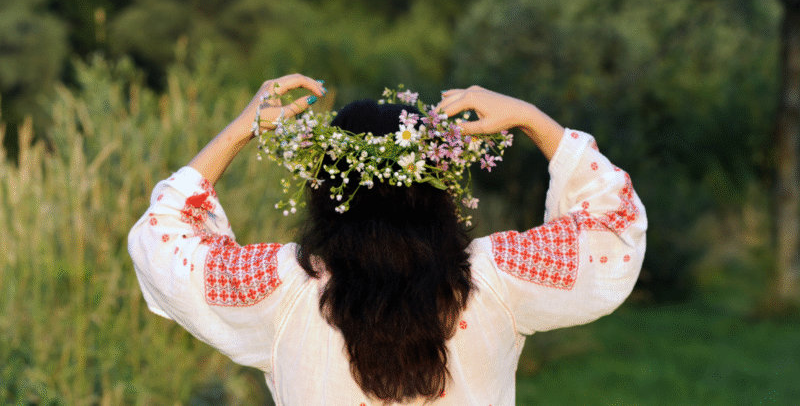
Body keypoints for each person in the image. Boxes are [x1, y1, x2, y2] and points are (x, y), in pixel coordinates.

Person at [128, 74, 647, 405]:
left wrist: (243, 128)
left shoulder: (282, 289)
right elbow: (612, 224)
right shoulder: (495, 278)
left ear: (324, 190)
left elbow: (164, 234)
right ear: (434, 185)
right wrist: (530, 118)